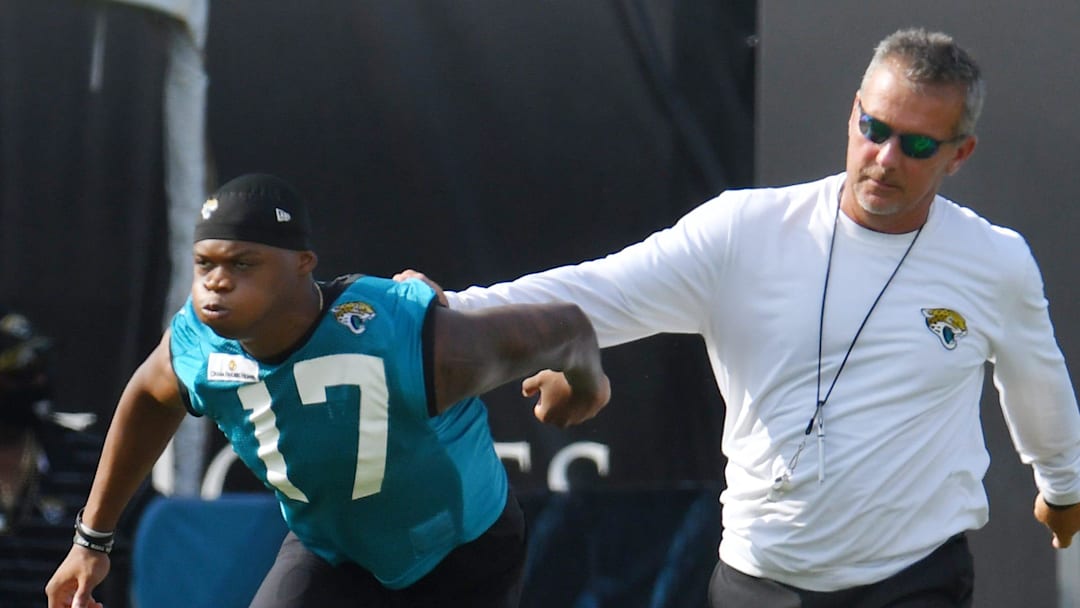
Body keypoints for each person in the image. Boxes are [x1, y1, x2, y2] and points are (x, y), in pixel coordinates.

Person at [399, 28, 1080, 606]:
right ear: (853, 112)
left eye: (917, 145)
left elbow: (1036, 381)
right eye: (873, 129)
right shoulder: (744, 231)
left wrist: (1063, 486)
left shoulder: (995, 261)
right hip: (760, 579)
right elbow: (596, 290)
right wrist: (449, 308)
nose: (884, 158)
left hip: (914, 579)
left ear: (960, 154)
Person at [45, 172, 610, 608]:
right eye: (205, 263)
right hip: (333, 550)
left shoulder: (404, 338)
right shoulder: (198, 341)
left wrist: (584, 387)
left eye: (243, 263)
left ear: (302, 265)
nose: (217, 282)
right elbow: (148, 397)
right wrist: (91, 540)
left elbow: (566, 329)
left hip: (461, 551)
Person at [0, 306, 148, 607]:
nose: (38, 381)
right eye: (21, 372)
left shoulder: (93, 463)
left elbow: (151, 554)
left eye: (41, 366)